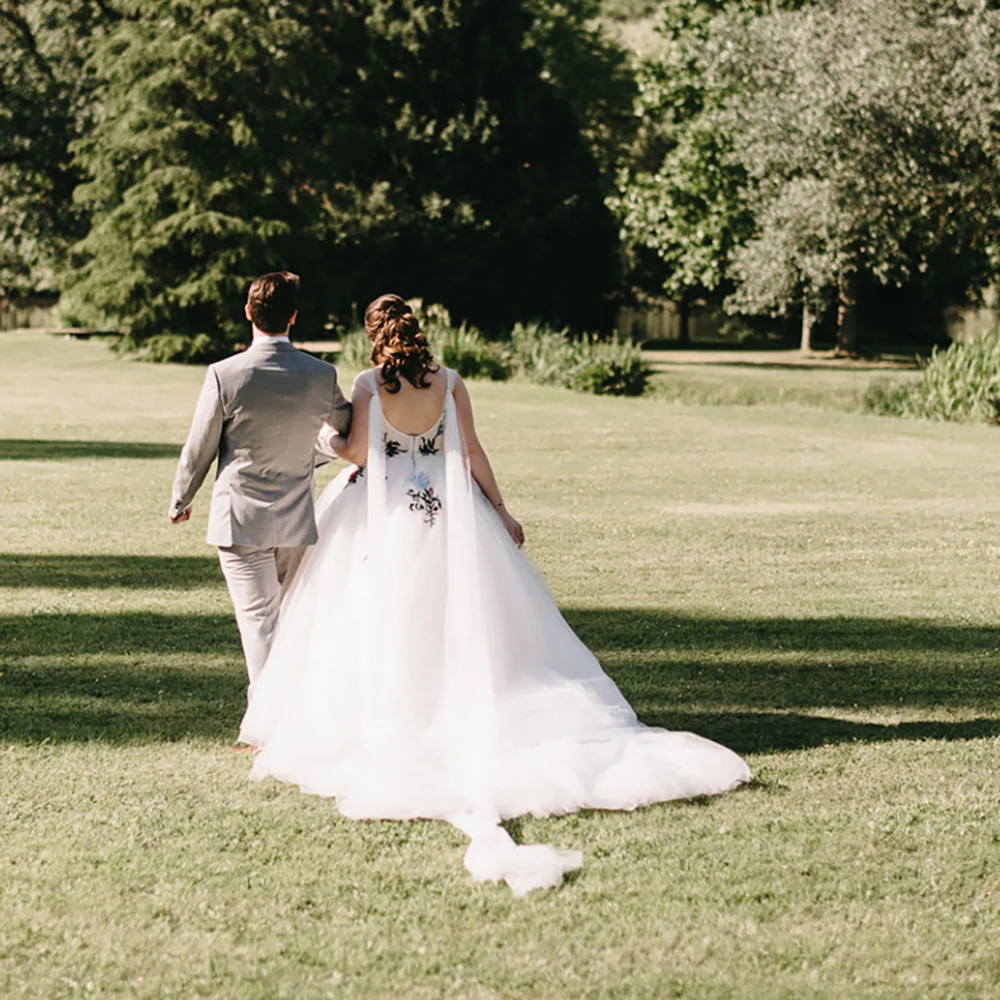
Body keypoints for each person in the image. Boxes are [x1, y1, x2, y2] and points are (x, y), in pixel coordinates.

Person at [239, 293, 750, 895]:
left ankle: (399, 711)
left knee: (380, 616)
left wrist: (327, 441)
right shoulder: (450, 381)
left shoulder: (369, 384)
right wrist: (502, 511)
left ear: (375, 336)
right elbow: (472, 452)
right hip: (452, 516)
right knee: (464, 612)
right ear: (417, 331)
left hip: (383, 516)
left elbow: (357, 451)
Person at [169, 271, 352, 705]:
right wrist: (312, 455)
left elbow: (200, 446)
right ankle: (290, 714)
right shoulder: (320, 374)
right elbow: (349, 431)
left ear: (249, 312)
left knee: (258, 621)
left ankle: (269, 723)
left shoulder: (225, 374)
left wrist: (181, 497)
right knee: (284, 618)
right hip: (295, 515)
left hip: (240, 517)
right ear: (293, 317)